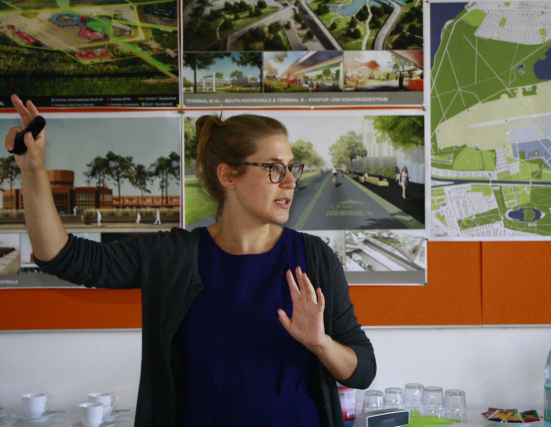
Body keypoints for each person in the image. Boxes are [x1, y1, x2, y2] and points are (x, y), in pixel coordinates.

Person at [5, 95, 376, 427]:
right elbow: (63, 257)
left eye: (291, 168)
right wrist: (33, 170)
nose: (290, 182)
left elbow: (363, 370)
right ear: (229, 175)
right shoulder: (173, 255)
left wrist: (320, 343)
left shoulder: (313, 257)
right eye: (273, 168)